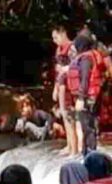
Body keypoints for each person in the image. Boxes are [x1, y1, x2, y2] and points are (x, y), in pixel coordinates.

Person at [67, 34, 105, 155]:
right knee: (87, 127)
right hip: (93, 96)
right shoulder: (91, 56)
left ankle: (90, 154)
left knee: (88, 127)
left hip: (88, 97)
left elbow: (85, 78)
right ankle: (86, 152)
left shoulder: (86, 59)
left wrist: (81, 98)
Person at [52, 26, 76, 155]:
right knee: (64, 115)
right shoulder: (58, 50)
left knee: (70, 115)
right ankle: (69, 144)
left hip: (70, 85)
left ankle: (74, 147)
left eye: (56, 37)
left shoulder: (72, 48)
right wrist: (55, 88)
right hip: (61, 84)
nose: (55, 40)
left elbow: (76, 64)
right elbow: (57, 72)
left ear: (63, 34)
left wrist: (65, 69)